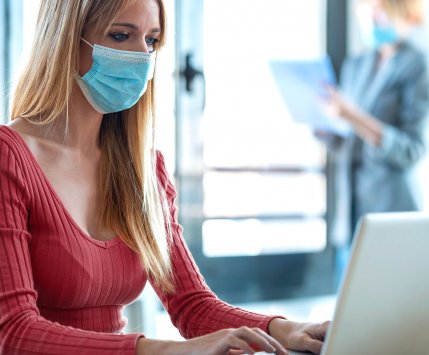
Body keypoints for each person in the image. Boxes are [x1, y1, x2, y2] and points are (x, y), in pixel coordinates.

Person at [0, 0, 329, 354]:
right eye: (121, 35)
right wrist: (166, 350)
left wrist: (284, 329)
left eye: (152, 41)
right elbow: (14, 333)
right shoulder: (9, 157)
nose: (141, 56)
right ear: (65, 40)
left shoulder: (143, 168)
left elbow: (191, 306)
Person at [321, 0, 429, 255]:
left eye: (381, 11)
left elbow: (411, 150)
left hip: (392, 215)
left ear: (404, 14)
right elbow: (347, 143)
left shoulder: (419, 67)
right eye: (369, 9)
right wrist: (326, 127)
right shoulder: (357, 65)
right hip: (351, 216)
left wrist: (354, 117)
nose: (373, 18)